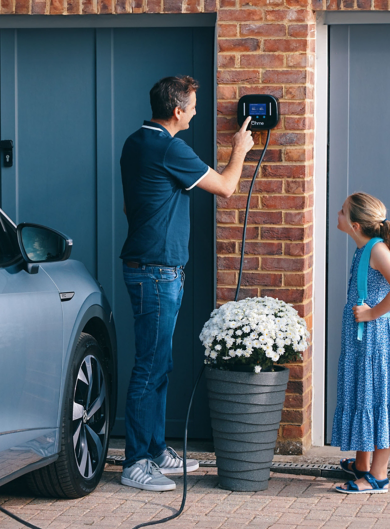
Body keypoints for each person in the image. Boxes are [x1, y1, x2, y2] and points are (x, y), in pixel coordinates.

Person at [119, 75, 254, 491]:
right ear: (177, 110)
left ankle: (156, 449)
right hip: (157, 272)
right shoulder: (167, 147)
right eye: (193, 105)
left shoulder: (135, 142)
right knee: (150, 367)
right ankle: (136, 462)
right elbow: (227, 188)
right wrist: (240, 151)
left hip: (155, 269)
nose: (196, 111)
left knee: (160, 364)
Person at [333, 192, 390, 494]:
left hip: (379, 342)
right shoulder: (364, 247)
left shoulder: (377, 250)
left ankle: (378, 476)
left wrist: (372, 312)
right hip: (364, 342)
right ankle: (362, 465)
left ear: (356, 225)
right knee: (365, 397)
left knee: (380, 400)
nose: (338, 213)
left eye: (343, 211)